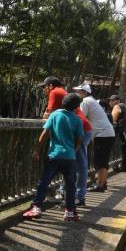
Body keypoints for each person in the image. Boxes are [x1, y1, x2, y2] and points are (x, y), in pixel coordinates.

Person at [23, 93, 84, 222]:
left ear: (63, 103)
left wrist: (37, 150)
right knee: (70, 185)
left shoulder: (55, 115)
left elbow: (44, 133)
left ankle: (37, 207)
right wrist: (73, 151)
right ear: (77, 107)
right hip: (70, 157)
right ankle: (69, 212)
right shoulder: (78, 120)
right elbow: (79, 140)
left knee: (44, 182)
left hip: (54, 155)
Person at [73, 84, 116, 192]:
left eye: (79, 91)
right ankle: (102, 183)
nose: (77, 93)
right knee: (103, 160)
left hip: (102, 134)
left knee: (100, 161)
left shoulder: (86, 101)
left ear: (85, 92)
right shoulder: (91, 100)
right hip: (107, 133)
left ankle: (100, 185)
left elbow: (80, 118)